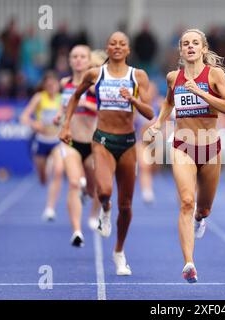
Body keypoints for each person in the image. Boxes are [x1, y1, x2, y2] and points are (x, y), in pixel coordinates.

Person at [59, 31, 154, 275]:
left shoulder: (138, 75)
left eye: (122, 43)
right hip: (102, 139)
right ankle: (104, 209)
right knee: (104, 190)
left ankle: (119, 252)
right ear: (107, 47)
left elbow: (150, 112)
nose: (118, 46)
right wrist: (67, 125)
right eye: (113, 43)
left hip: (128, 142)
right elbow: (75, 97)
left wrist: (132, 100)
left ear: (128, 49)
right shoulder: (95, 73)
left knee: (126, 204)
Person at [148, 28, 225, 283]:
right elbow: (168, 103)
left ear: (203, 49)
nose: (190, 47)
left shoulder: (215, 75)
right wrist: (158, 123)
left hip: (210, 149)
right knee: (187, 201)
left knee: (204, 207)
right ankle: (189, 263)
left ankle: (201, 218)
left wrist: (201, 93)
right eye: (185, 43)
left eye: (195, 43)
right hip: (182, 146)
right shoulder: (172, 77)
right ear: (180, 50)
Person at [56, 45, 102, 247]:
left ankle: (93, 212)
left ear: (88, 59)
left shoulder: (95, 84)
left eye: (82, 56)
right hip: (70, 141)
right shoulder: (64, 83)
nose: (78, 60)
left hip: (92, 142)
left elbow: (107, 110)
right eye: (74, 56)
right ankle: (77, 231)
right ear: (70, 60)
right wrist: (60, 115)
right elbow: (63, 105)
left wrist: (86, 104)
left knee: (96, 188)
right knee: (74, 183)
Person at [20, 71, 63, 221]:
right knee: (43, 178)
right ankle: (45, 172)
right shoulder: (39, 98)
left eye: (54, 84)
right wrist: (34, 124)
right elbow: (24, 116)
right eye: (48, 84)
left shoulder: (62, 99)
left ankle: (50, 209)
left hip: (56, 141)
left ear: (58, 85)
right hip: (41, 141)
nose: (51, 87)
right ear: (44, 86)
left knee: (57, 172)